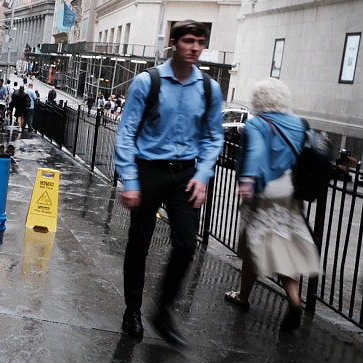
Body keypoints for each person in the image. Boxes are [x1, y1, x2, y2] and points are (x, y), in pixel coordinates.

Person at [113, 19, 223, 346]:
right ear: (174, 43)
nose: (195, 48)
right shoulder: (149, 82)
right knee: (139, 243)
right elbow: (126, 133)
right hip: (149, 171)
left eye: (200, 42)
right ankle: (132, 310)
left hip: (186, 175)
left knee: (187, 244)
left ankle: (162, 311)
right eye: (189, 41)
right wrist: (130, 180)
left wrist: (203, 174)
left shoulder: (209, 88)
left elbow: (214, 136)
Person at [223, 78, 321, 330]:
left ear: (259, 100)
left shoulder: (257, 124)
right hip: (290, 194)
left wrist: (246, 180)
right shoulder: (298, 124)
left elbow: (255, 151)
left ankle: (243, 297)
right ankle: (294, 299)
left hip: (263, 193)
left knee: (253, 248)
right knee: (285, 248)